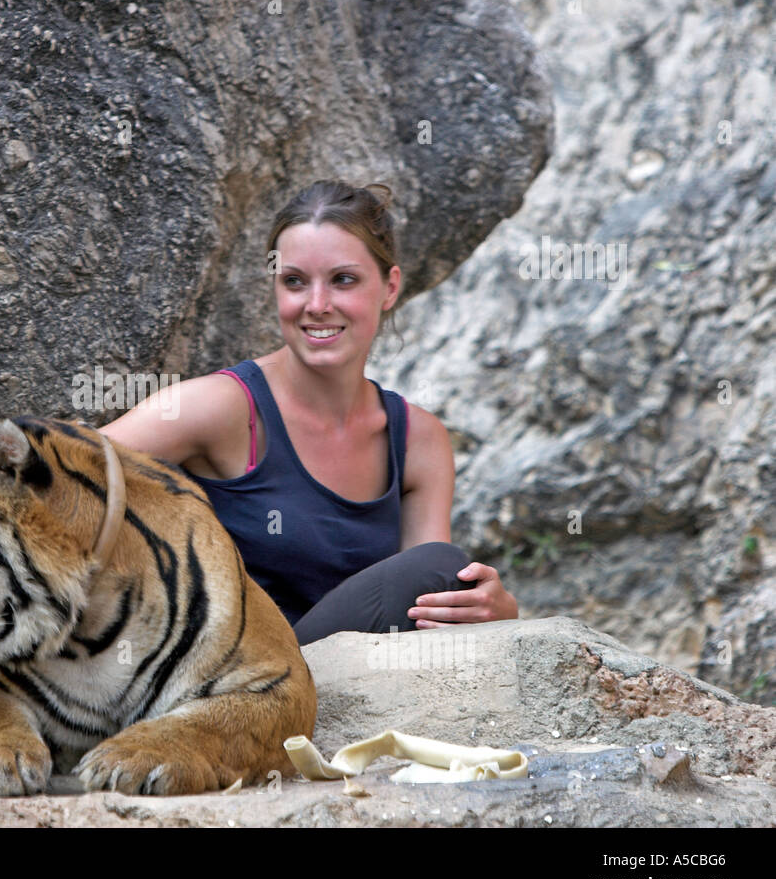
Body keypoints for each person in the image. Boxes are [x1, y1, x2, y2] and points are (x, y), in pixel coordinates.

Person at [99, 180, 519, 645]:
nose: (317, 306)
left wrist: (493, 610)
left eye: (343, 280)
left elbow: (428, 608)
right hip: (235, 681)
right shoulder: (222, 407)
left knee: (442, 572)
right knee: (438, 567)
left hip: (347, 682)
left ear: (390, 287)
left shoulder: (418, 439)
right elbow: (61, 468)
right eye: (294, 281)